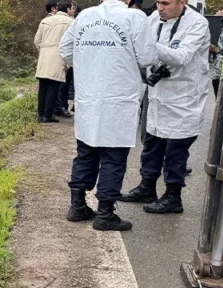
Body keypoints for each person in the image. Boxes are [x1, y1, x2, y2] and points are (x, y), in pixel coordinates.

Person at [59, 0, 157, 231]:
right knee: (113, 156)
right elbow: (147, 57)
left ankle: (77, 205)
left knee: (86, 151)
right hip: (117, 99)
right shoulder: (135, 18)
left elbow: (64, 50)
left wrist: (89, 62)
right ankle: (104, 214)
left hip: (88, 98)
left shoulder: (84, 17)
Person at [119, 0, 210, 214]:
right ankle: (147, 187)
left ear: (182, 2)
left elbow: (181, 57)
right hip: (158, 95)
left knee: (176, 150)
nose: (160, 7)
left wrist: (145, 45)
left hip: (183, 98)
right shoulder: (154, 19)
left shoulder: (197, 23)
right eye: (158, 2)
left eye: (166, 3)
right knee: (152, 144)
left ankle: (173, 196)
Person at [34, 0, 75, 123]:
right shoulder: (70, 22)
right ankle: (48, 115)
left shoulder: (45, 20)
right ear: (67, 10)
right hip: (59, 55)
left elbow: (37, 41)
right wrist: (69, 60)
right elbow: (72, 42)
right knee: (54, 85)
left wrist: (43, 51)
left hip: (44, 55)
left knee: (43, 86)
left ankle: (40, 114)